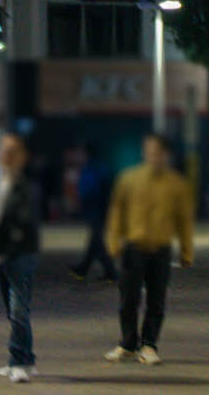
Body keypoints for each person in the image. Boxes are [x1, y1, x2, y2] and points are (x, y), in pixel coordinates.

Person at [104, 133, 194, 364]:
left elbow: (184, 220)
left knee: (156, 301)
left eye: (156, 152)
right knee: (128, 299)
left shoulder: (177, 185)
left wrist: (186, 250)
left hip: (161, 249)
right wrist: (113, 241)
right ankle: (127, 344)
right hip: (133, 248)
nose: (151, 156)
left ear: (166, 154)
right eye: (148, 151)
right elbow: (117, 211)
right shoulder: (129, 179)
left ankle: (149, 345)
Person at [0, 132, 41, 382]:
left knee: (19, 310)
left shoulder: (27, 187)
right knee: (13, 311)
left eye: (12, 151)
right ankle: (25, 358)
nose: (6, 155)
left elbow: (23, 223)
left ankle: (18, 362)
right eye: (3, 150)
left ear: (22, 157)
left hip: (21, 254)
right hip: (2, 256)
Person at [69, 143, 116, 282]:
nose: (77, 156)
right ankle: (83, 269)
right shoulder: (100, 166)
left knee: (98, 241)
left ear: (86, 154)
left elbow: (89, 190)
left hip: (95, 208)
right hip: (101, 208)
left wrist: (82, 201)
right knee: (94, 240)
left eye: (80, 153)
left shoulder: (91, 168)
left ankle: (112, 272)